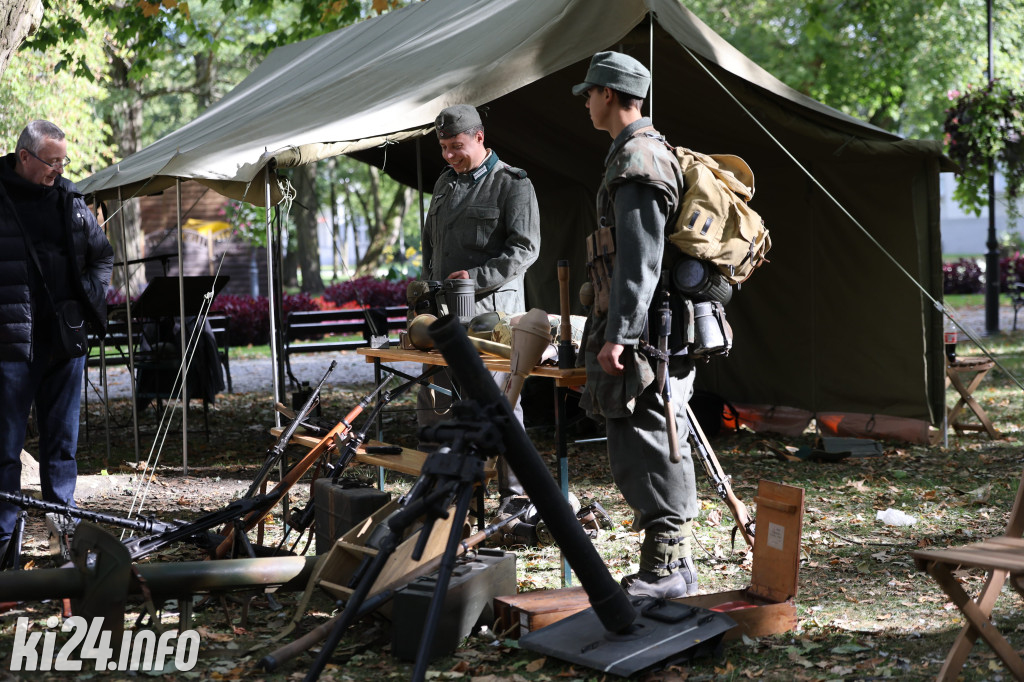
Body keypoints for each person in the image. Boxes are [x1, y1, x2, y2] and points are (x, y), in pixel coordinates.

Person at [573, 52, 699, 598]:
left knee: (649, 439)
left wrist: (620, 335)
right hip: (648, 328)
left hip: (647, 334)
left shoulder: (639, 162)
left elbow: (641, 260)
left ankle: (668, 571)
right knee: (646, 437)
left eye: (589, 93)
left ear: (608, 95)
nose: (585, 102)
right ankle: (668, 567)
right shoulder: (636, 154)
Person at [417, 104, 541, 515]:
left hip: (493, 321)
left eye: (457, 146)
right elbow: (432, 247)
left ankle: (516, 498)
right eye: (443, 148)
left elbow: (525, 249)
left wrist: (472, 279)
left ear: (480, 138)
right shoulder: (444, 185)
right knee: (440, 404)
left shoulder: (513, 184)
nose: (450, 155)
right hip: (446, 319)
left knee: (500, 405)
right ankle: (450, 496)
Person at [0, 120, 114, 565]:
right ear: (24, 157)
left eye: (63, 161)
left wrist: (86, 299)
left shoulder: (70, 199)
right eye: (52, 161)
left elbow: (102, 255)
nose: (59, 169)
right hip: (9, 347)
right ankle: (3, 542)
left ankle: (63, 538)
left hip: (64, 346)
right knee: (5, 450)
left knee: (62, 446)